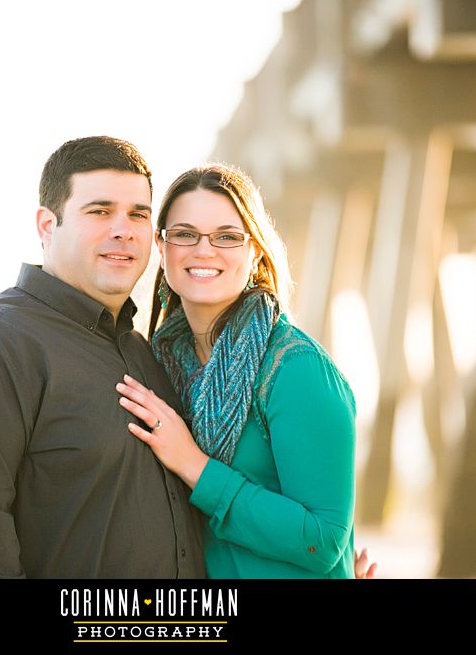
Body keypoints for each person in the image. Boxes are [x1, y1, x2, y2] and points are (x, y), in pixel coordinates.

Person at [0, 136, 205, 578]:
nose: (123, 229)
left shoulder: (145, 352)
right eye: (100, 211)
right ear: (48, 225)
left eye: (138, 214)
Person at [116, 164, 371, 578]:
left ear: (255, 250)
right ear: (162, 248)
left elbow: (323, 540)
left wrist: (194, 465)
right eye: (184, 234)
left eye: (227, 236)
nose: (204, 250)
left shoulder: (295, 369)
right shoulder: (160, 364)